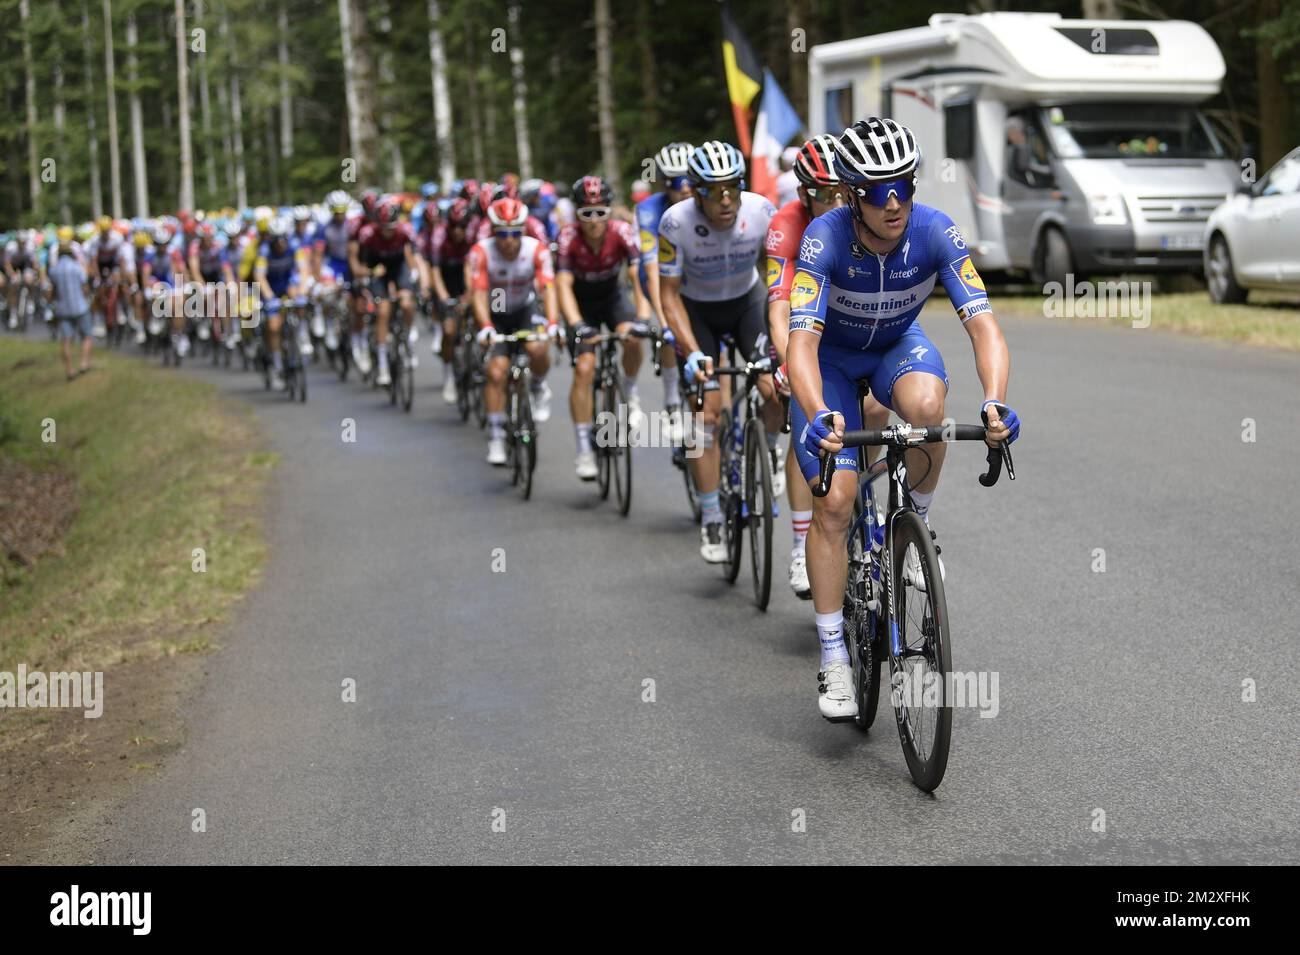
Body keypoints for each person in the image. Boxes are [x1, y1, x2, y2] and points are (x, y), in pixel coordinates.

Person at [786, 117, 1021, 721]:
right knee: (836, 501)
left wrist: (993, 398)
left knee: (927, 410)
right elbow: (802, 346)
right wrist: (817, 414)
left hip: (895, 346)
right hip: (831, 361)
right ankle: (835, 656)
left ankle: (915, 524)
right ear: (849, 194)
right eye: (875, 190)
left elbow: (983, 325)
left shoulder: (936, 231)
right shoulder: (823, 238)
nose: (893, 203)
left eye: (903, 187)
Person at [656, 141, 779, 562]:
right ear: (694, 191)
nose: (726, 200)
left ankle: (766, 450)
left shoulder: (761, 211)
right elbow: (668, 297)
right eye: (714, 190)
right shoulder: (675, 223)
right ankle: (710, 514)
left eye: (733, 188)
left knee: (777, 390)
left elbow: (781, 275)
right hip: (697, 312)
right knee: (704, 415)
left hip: (747, 303)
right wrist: (689, 352)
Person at [764, 134, 854, 599]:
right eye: (823, 193)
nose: (834, 201)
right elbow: (780, 307)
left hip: (847, 330)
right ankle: (802, 542)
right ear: (802, 194)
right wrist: (784, 363)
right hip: (799, 328)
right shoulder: (786, 224)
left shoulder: (856, 219)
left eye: (842, 190)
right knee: (804, 422)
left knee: (877, 408)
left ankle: (867, 508)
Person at [556, 176, 652, 480]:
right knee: (584, 368)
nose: (594, 220)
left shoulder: (622, 231)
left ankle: (631, 390)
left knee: (633, 339)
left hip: (612, 297)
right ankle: (584, 448)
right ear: (576, 215)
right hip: (580, 304)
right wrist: (575, 325)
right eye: (586, 213)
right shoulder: (567, 238)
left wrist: (643, 317)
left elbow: (639, 276)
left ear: (609, 212)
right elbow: (562, 285)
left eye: (600, 212)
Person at [468, 197, 559, 465]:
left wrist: (553, 322)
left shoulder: (536, 249)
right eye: (502, 233)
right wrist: (485, 326)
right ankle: (496, 435)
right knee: (496, 372)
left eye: (515, 232)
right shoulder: (481, 251)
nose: (508, 239)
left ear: (523, 229)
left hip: (524, 309)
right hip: (495, 312)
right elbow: (479, 292)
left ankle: (539, 386)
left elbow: (548, 287)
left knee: (537, 348)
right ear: (493, 231)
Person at [634, 142, 694, 438]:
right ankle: (671, 398)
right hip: (660, 278)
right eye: (675, 181)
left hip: (696, 276)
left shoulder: (702, 203)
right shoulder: (648, 210)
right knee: (672, 332)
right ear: (663, 183)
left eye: (688, 179)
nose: (684, 188)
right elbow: (651, 269)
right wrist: (665, 322)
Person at [47, 227, 93, 379]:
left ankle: (69, 370)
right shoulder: (76, 268)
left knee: (66, 340)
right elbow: (85, 286)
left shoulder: (54, 271)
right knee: (86, 336)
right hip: (80, 306)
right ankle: (84, 364)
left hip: (63, 308)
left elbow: (52, 291)